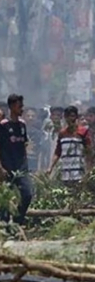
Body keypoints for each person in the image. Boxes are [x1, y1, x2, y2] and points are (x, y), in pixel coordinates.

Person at [0, 94, 33, 225]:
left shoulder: (22, 125)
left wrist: (25, 164)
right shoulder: (3, 126)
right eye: (20, 106)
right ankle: (4, 223)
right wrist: (0, 167)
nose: (22, 109)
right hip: (7, 167)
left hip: (21, 167)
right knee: (5, 197)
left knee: (27, 193)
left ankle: (19, 219)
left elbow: (24, 145)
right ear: (12, 107)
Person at [48, 106, 91, 185]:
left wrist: (88, 170)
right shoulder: (62, 133)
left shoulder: (83, 132)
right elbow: (58, 152)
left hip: (79, 172)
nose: (70, 119)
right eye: (67, 116)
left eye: (72, 116)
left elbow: (88, 152)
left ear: (76, 117)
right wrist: (50, 167)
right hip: (66, 172)